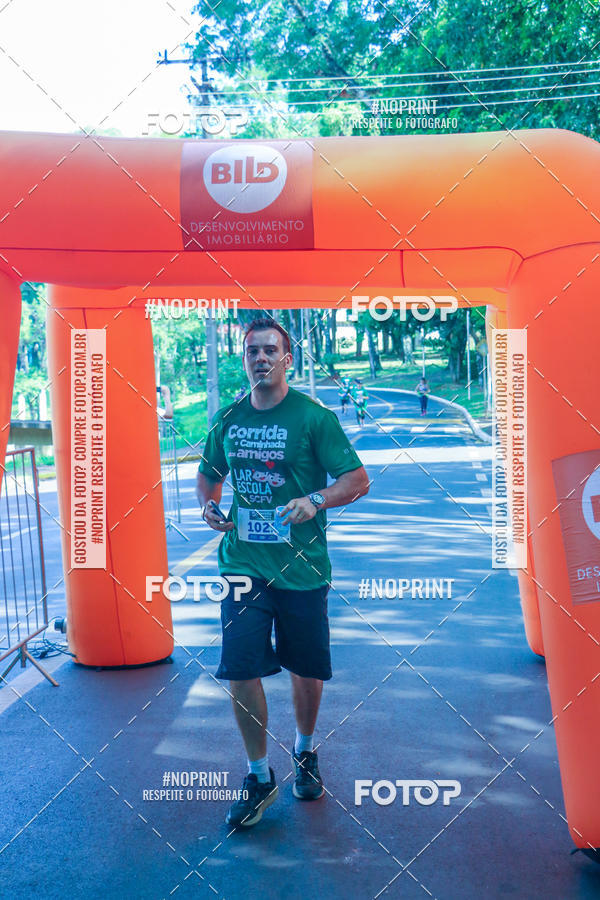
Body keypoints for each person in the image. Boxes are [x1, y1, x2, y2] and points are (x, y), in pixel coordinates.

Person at [196, 316, 369, 828]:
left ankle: (306, 750)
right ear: (244, 358)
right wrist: (209, 509)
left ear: (287, 359)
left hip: (303, 568)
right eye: (252, 351)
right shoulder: (228, 419)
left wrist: (315, 500)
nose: (261, 359)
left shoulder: (313, 418)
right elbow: (208, 478)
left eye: (271, 350)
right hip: (242, 565)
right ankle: (257, 774)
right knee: (241, 668)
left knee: (306, 668)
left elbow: (357, 479)